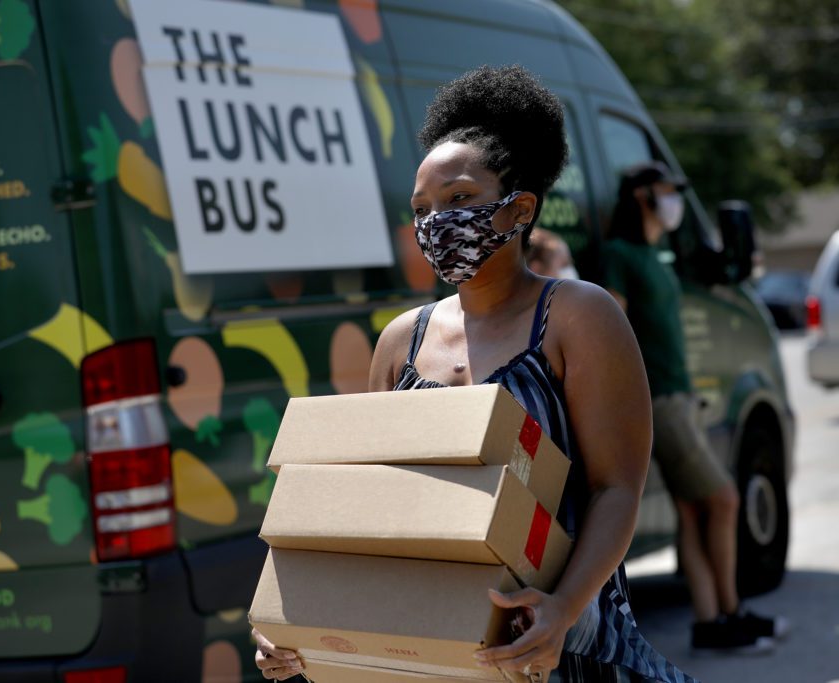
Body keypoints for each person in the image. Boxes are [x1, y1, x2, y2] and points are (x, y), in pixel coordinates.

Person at [252, 66, 697, 683]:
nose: (436, 222)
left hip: (568, 650)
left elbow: (616, 489)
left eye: (459, 199)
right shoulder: (401, 343)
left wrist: (562, 610)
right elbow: (368, 514)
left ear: (519, 209)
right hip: (443, 656)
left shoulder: (577, 317)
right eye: (421, 209)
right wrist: (299, 634)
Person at [603, 161, 789, 656]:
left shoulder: (656, 254)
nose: (674, 201)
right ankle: (728, 613)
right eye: (667, 192)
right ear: (643, 195)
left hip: (679, 397)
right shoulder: (620, 255)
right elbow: (611, 332)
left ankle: (713, 620)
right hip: (660, 402)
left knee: (691, 510)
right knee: (725, 501)